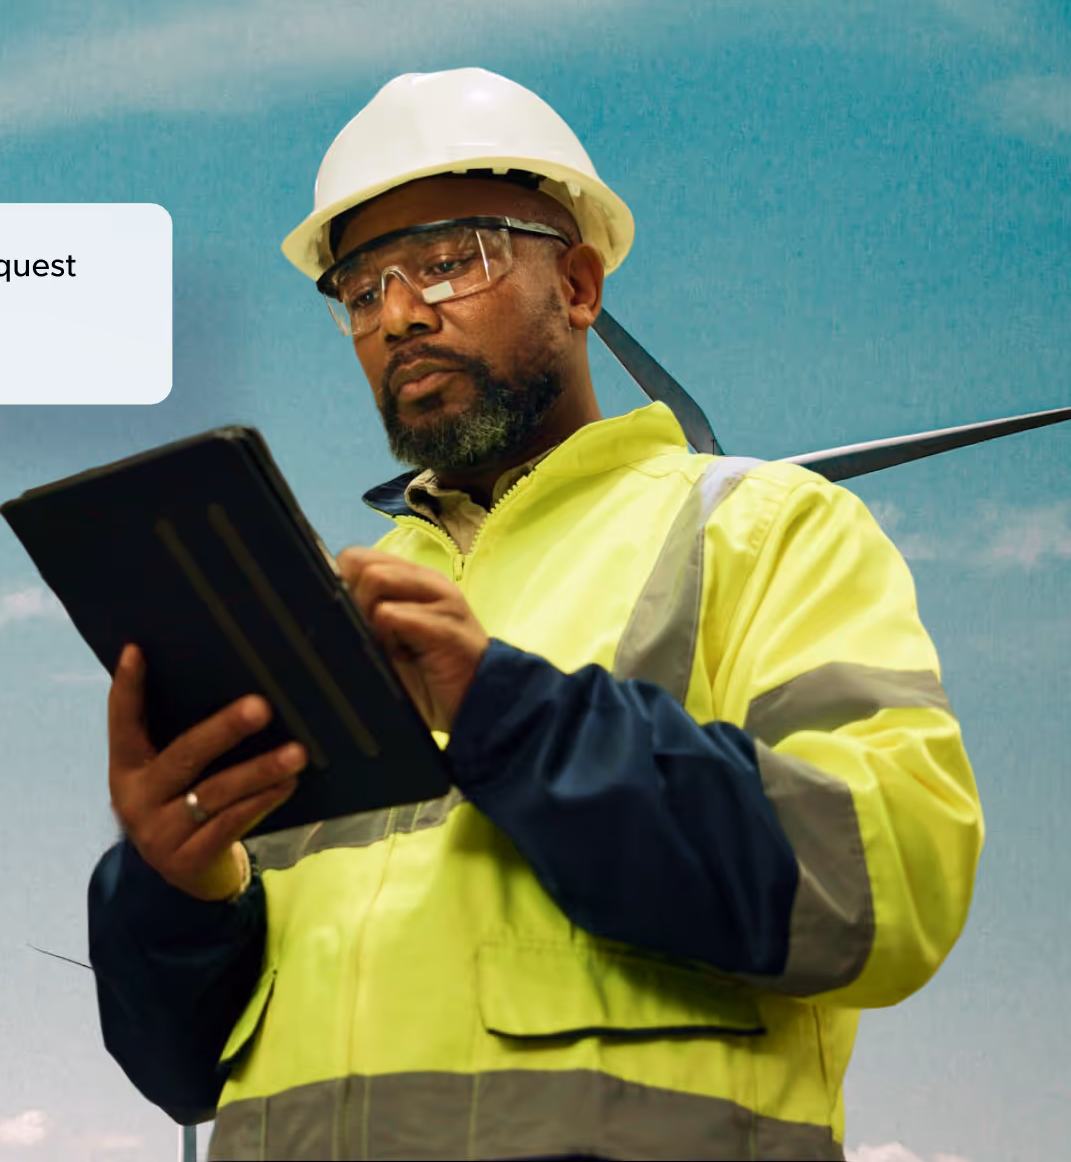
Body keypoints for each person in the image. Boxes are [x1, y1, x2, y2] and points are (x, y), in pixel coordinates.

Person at [87, 68, 983, 1161]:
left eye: (449, 259)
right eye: (360, 290)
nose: (400, 314)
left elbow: (885, 888)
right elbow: (182, 1072)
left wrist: (505, 708)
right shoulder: (319, 606)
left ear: (578, 284)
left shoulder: (759, 528)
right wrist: (171, 889)